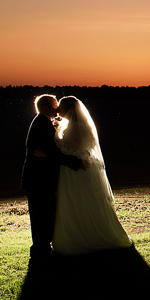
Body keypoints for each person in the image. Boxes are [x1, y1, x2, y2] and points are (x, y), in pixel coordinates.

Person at [49, 96, 133, 254]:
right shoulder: (80, 125)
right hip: (81, 168)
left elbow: (68, 149)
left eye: (61, 108)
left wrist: (54, 139)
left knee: (77, 200)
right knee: (86, 200)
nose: (59, 110)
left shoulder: (75, 126)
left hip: (76, 171)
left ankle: (82, 236)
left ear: (69, 110)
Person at [20, 94, 84, 260]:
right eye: (55, 105)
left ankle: (42, 247)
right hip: (38, 179)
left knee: (45, 213)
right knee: (40, 214)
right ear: (46, 108)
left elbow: (50, 152)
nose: (58, 108)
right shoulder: (41, 123)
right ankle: (40, 249)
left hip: (42, 178)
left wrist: (49, 155)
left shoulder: (45, 122)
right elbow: (53, 152)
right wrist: (75, 163)